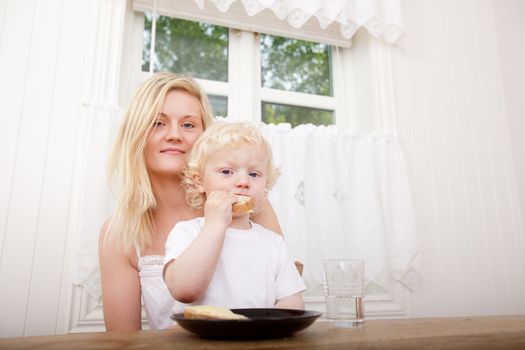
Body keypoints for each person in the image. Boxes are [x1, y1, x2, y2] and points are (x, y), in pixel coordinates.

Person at [98, 72, 284, 331]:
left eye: (188, 125)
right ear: (136, 134)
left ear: (205, 137)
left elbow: (284, 295)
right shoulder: (119, 233)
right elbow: (123, 343)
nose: (174, 135)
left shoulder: (249, 207)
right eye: (157, 123)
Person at [163, 121, 305, 312]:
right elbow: (184, 291)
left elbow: (293, 302)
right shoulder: (187, 232)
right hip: (201, 339)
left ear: (266, 185)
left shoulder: (273, 243)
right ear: (200, 181)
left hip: (258, 338)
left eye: (254, 174)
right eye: (227, 172)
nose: (243, 182)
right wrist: (214, 225)